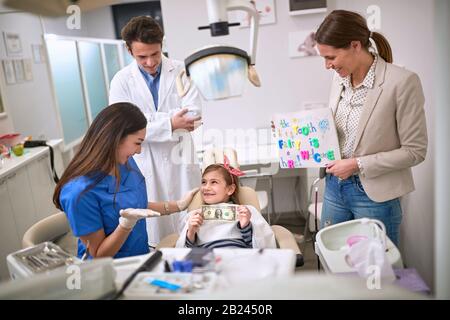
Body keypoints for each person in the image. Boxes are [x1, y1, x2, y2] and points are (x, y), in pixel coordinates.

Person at [314, 10, 427, 245]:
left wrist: (357, 164)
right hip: (335, 187)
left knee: (375, 271)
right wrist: (293, 132)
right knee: (333, 263)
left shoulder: (402, 82)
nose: (327, 66)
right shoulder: (339, 79)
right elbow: (338, 133)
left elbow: (415, 151)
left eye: (331, 57)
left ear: (355, 45)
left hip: (374, 195)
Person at [53, 103, 197, 259]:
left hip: (140, 257)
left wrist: (178, 205)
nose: (139, 150)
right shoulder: (80, 193)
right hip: (109, 271)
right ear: (116, 138)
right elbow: (98, 255)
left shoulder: (124, 164)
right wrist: (125, 226)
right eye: (137, 143)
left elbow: (135, 205)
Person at [109, 16, 203, 247]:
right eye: (142, 56)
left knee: (192, 228)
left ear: (162, 45)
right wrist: (170, 122)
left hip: (180, 161)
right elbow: (122, 126)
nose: (150, 62)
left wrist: (146, 123)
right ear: (129, 51)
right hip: (143, 162)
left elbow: (193, 115)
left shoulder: (182, 70)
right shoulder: (121, 81)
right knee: (154, 235)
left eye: (155, 54)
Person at [176, 156, 276, 249]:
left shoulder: (247, 212)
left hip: (239, 258)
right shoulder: (194, 216)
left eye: (214, 182)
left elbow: (260, 246)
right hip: (209, 261)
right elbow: (186, 251)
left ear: (230, 189)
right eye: (203, 182)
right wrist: (191, 232)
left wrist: (246, 226)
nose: (206, 187)